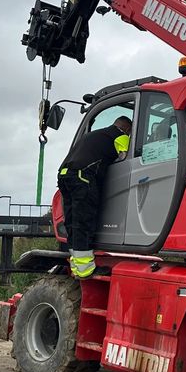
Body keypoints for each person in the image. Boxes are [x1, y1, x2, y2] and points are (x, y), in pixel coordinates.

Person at [57, 115, 132, 278]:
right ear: (126, 128)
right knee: (84, 221)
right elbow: (125, 159)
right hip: (82, 177)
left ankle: (77, 265)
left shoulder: (94, 134)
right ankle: (86, 270)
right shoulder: (120, 136)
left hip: (64, 175)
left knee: (72, 222)